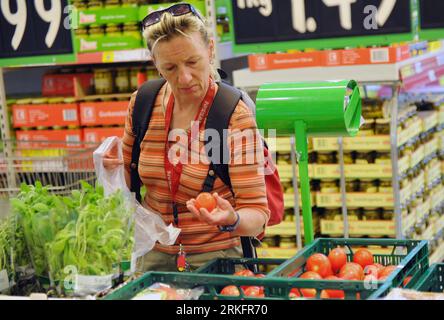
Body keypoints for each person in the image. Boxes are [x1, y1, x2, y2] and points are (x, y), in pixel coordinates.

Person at [103, 3, 270, 272]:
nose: (184, 78)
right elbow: (128, 177)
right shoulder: (143, 104)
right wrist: (112, 167)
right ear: (156, 65)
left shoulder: (233, 116)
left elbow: (258, 215)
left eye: (193, 62)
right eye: (170, 67)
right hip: (153, 256)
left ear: (210, 50)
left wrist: (232, 218)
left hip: (218, 258)